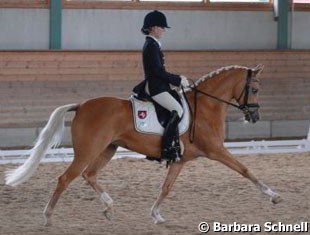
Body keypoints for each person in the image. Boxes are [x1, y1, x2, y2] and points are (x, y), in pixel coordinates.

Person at [133, 10, 190, 163]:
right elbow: (158, 71)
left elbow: (160, 71)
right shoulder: (151, 45)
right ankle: (166, 149)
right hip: (156, 87)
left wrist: (174, 82)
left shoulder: (153, 44)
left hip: (160, 85)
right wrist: (177, 80)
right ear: (153, 27)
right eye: (162, 27)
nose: (164, 30)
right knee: (177, 109)